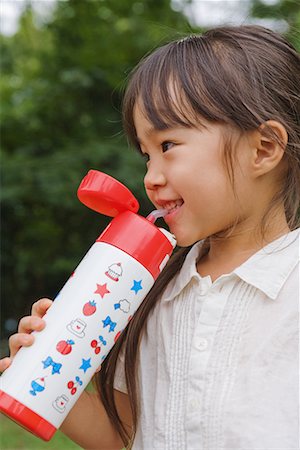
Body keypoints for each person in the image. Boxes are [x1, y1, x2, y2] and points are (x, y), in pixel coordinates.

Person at [1, 25, 299, 449]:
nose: (151, 178)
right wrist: (48, 374)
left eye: (168, 144)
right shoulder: (145, 290)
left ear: (264, 149)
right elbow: (122, 435)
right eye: (145, 154)